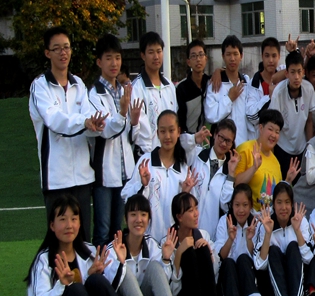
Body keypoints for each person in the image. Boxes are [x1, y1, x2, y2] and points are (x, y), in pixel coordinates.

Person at [30, 27, 106, 240]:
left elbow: (89, 118)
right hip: (56, 179)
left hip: (82, 176)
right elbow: (54, 120)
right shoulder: (40, 86)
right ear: (47, 53)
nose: (63, 53)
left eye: (66, 47)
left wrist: (96, 124)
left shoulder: (78, 84)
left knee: (83, 239)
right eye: (57, 49)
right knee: (59, 241)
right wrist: (84, 122)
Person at [103, 194, 196, 296]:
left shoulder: (152, 245)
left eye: (143, 215)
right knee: (125, 271)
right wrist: (120, 263)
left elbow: (169, 289)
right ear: (125, 219)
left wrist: (166, 259)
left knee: (155, 266)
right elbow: (109, 292)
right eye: (133, 215)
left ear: (149, 219)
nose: (139, 220)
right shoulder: (113, 248)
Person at [88, 33, 144, 246]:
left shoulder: (124, 91)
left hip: (125, 173)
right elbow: (105, 130)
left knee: (119, 231)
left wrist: (135, 122)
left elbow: (132, 137)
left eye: (118, 58)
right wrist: (122, 113)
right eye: (109, 58)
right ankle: (100, 267)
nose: (114, 63)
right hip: (105, 173)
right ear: (99, 62)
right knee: (103, 230)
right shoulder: (94, 94)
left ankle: (118, 266)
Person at [122, 110, 200, 240]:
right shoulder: (146, 162)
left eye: (171, 130)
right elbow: (127, 197)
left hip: (173, 240)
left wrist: (185, 194)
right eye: (163, 131)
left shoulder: (184, 170)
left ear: (178, 131)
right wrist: (142, 185)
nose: (167, 136)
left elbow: (190, 211)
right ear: (157, 133)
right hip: (147, 239)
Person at [165, 192, 228, 296]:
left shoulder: (203, 235)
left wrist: (208, 252)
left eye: (196, 209)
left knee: (203, 247)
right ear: (179, 217)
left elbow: (215, 273)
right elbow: (171, 288)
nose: (196, 214)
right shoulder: (168, 241)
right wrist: (179, 252)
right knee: (188, 252)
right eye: (190, 210)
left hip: (206, 294)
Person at [253, 182, 313, 296]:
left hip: (297, 280)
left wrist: (297, 231)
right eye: (279, 202)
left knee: (293, 246)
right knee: (273, 250)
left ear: (292, 204)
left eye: (287, 202)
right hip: (274, 288)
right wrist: (268, 234)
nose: (283, 207)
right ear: (273, 205)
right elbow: (259, 265)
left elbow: (308, 258)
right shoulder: (265, 223)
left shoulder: (301, 221)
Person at [214, 184, 262, 296]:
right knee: (228, 263)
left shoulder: (256, 222)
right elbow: (221, 256)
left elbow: (257, 259)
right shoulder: (224, 221)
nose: (241, 210)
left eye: (245, 205)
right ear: (231, 205)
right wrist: (230, 238)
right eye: (237, 205)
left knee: (243, 259)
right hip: (229, 278)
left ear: (251, 205)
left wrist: (249, 239)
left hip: (249, 275)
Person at [234, 109, 300, 211]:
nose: (273, 135)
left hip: (268, 217)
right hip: (247, 215)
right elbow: (235, 184)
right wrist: (254, 168)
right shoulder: (245, 149)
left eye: (277, 132)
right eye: (270, 129)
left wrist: (287, 181)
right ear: (261, 128)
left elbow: (277, 195)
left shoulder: (276, 162)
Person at [269, 51, 315, 179]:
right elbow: (274, 125)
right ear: (286, 73)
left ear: (303, 72)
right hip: (282, 147)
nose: (296, 77)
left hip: (301, 147)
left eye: (299, 72)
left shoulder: (308, 89)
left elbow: (309, 120)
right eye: (292, 72)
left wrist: (309, 147)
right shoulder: (278, 92)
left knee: (301, 183)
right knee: (283, 183)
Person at [131, 31, 177, 151]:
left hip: (169, 153)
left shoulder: (169, 86)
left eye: (159, 51)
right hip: (148, 154)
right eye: (151, 52)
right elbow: (139, 130)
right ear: (143, 55)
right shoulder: (136, 88)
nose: (156, 57)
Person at [192, 119, 239, 237]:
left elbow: (225, 204)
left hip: (210, 234)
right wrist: (194, 139)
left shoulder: (228, 170)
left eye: (228, 141)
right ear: (215, 135)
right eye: (221, 137)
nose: (223, 144)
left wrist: (231, 174)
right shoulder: (197, 155)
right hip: (189, 227)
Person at [205, 35, 252, 146]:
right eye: (228, 54)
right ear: (223, 56)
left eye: (235, 54)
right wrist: (229, 99)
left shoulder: (246, 82)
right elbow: (210, 115)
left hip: (243, 145)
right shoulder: (215, 83)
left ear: (241, 56)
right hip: (221, 146)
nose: (232, 58)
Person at [244, 37, 282, 141]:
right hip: (260, 142)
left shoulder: (284, 78)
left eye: (274, 56)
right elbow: (251, 116)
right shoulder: (253, 83)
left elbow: (296, 69)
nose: (271, 60)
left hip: (282, 141)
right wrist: (269, 97)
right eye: (267, 56)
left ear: (279, 56)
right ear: (262, 57)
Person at [176, 40, 209, 134]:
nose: (198, 59)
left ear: (206, 59)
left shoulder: (209, 83)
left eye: (201, 55)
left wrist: (218, 71)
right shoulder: (181, 89)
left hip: (204, 138)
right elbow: (180, 122)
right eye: (194, 56)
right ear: (188, 62)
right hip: (187, 138)